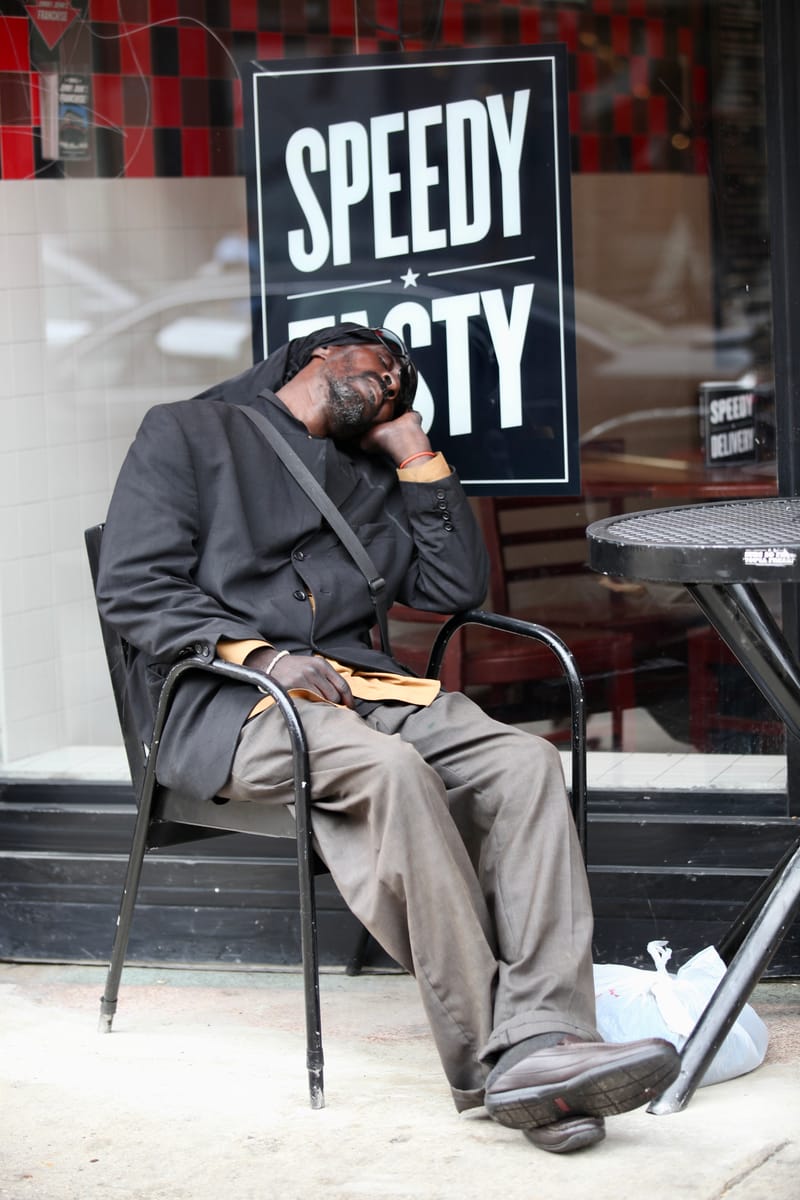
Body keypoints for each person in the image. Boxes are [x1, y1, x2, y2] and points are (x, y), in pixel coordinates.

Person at [97, 322, 679, 1154]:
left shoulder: (366, 479)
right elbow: (133, 584)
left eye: (403, 384)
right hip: (239, 701)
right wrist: (261, 652)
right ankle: (501, 1060)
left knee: (521, 760)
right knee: (390, 770)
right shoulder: (188, 432)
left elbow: (450, 586)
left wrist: (412, 450)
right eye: (381, 367)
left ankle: (550, 1034)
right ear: (321, 354)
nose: (392, 384)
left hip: (368, 690)